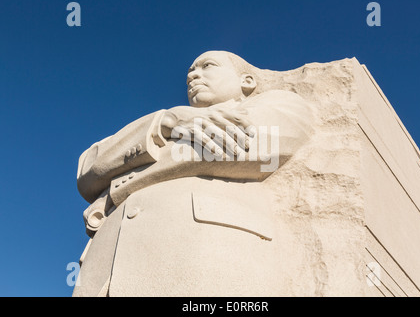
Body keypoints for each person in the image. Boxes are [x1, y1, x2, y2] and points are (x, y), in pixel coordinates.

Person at [73, 51, 314, 296]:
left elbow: (250, 148)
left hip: (205, 257)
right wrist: (167, 121)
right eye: (190, 72)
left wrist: (117, 185)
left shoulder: (280, 102)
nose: (193, 76)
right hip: (105, 268)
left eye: (207, 65)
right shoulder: (162, 122)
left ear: (247, 81)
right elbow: (88, 170)